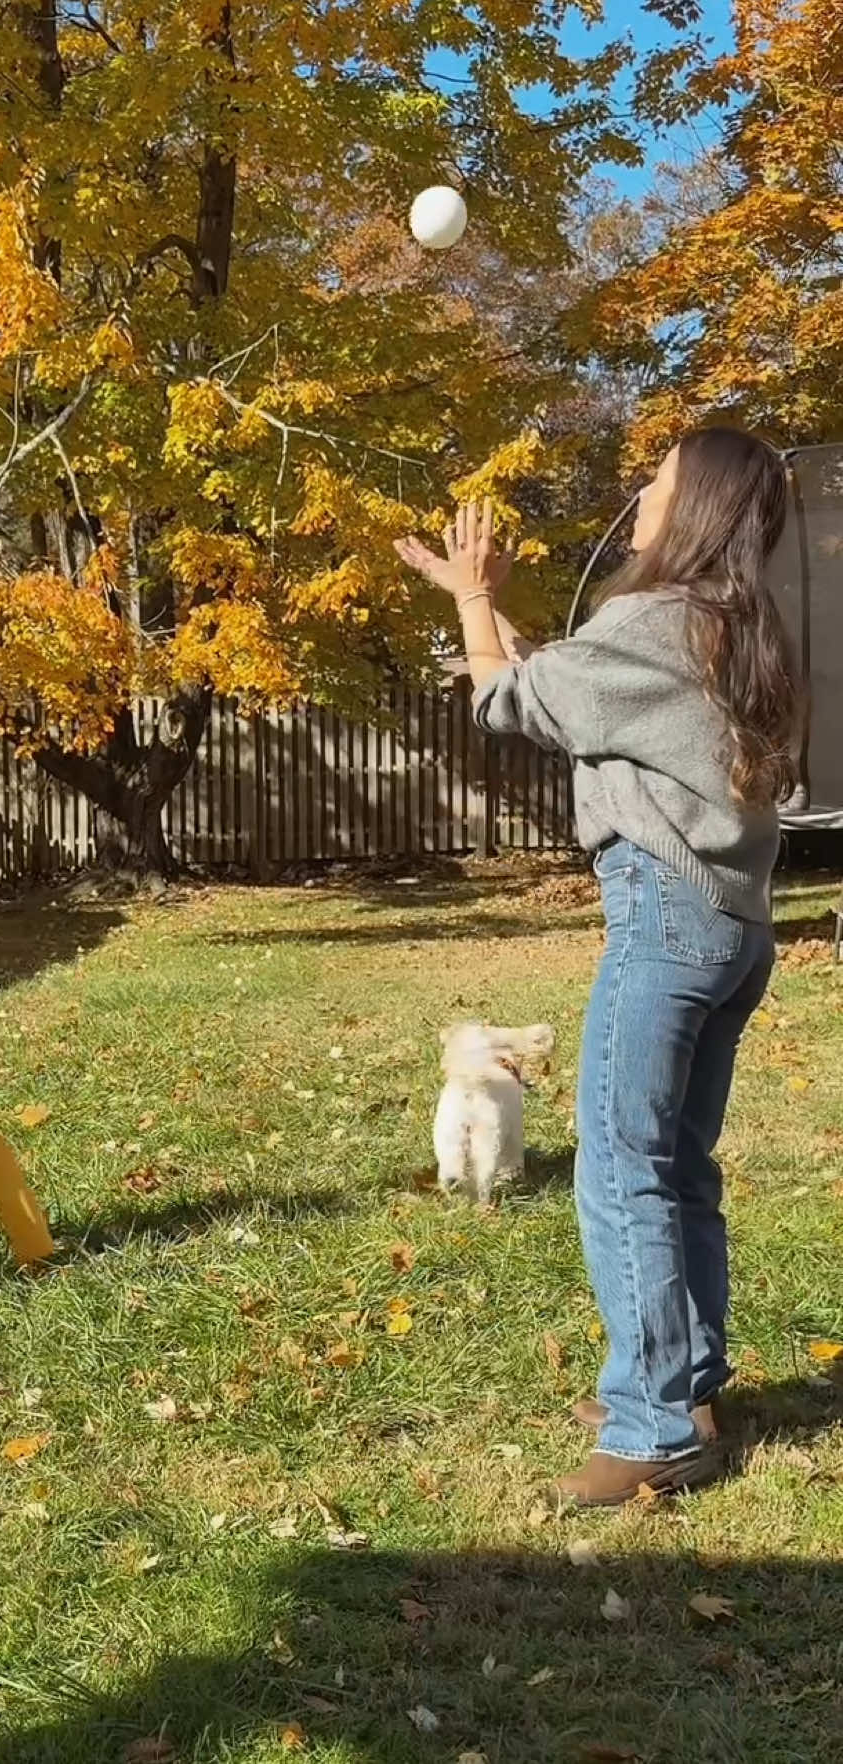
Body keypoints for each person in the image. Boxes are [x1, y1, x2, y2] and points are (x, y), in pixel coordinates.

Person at [396, 427, 800, 1507]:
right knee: (677, 1165)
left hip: (665, 920)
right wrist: (480, 608)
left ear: (699, 506)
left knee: (622, 1170)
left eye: (660, 479)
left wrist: (473, 604)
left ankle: (656, 1425)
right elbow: (574, 693)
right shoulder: (738, 627)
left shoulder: (651, 619)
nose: (641, 491)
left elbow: (507, 704)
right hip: (735, 927)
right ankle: (689, 1387)